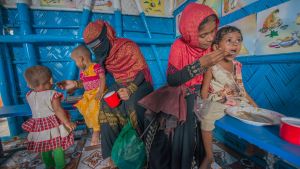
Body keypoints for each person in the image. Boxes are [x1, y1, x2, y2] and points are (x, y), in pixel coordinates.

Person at [138, 3, 228, 169]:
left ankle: (203, 159)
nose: (209, 38)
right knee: (182, 140)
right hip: (181, 95)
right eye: (203, 35)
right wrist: (199, 65)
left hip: (200, 95)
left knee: (201, 132)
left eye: (212, 31)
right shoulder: (179, 46)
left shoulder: (210, 47)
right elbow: (172, 80)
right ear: (190, 33)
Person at [58, 20, 153, 167]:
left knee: (133, 104)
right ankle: (112, 154)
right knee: (105, 103)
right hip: (120, 84)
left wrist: (130, 89)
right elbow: (94, 80)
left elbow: (142, 71)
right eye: (92, 47)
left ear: (107, 35)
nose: (97, 49)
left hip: (139, 83)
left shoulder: (127, 46)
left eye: (98, 44)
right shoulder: (102, 55)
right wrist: (76, 84)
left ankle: (142, 151)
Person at [199, 26, 257, 168]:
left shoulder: (237, 65)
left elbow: (241, 88)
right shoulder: (211, 66)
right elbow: (204, 90)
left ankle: (251, 146)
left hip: (237, 100)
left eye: (238, 40)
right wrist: (204, 106)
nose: (235, 44)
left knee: (253, 114)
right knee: (206, 119)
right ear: (216, 47)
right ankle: (209, 155)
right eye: (229, 40)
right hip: (218, 100)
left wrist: (254, 104)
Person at [22, 65, 76, 169]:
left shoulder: (29, 94)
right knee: (57, 146)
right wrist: (67, 123)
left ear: (29, 84)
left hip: (38, 125)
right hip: (52, 124)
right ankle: (60, 166)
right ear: (51, 80)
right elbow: (58, 110)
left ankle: (49, 165)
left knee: (44, 146)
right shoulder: (53, 94)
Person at [68, 45, 106, 146]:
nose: (76, 64)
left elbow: (102, 78)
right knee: (84, 108)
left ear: (81, 59)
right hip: (88, 94)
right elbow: (83, 83)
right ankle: (94, 126)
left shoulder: (96, 67)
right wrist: (73, 88)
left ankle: (96, 131)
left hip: (97, 92)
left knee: (94, 108)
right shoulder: (82, 72)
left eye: (75, 61)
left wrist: (100, 91)